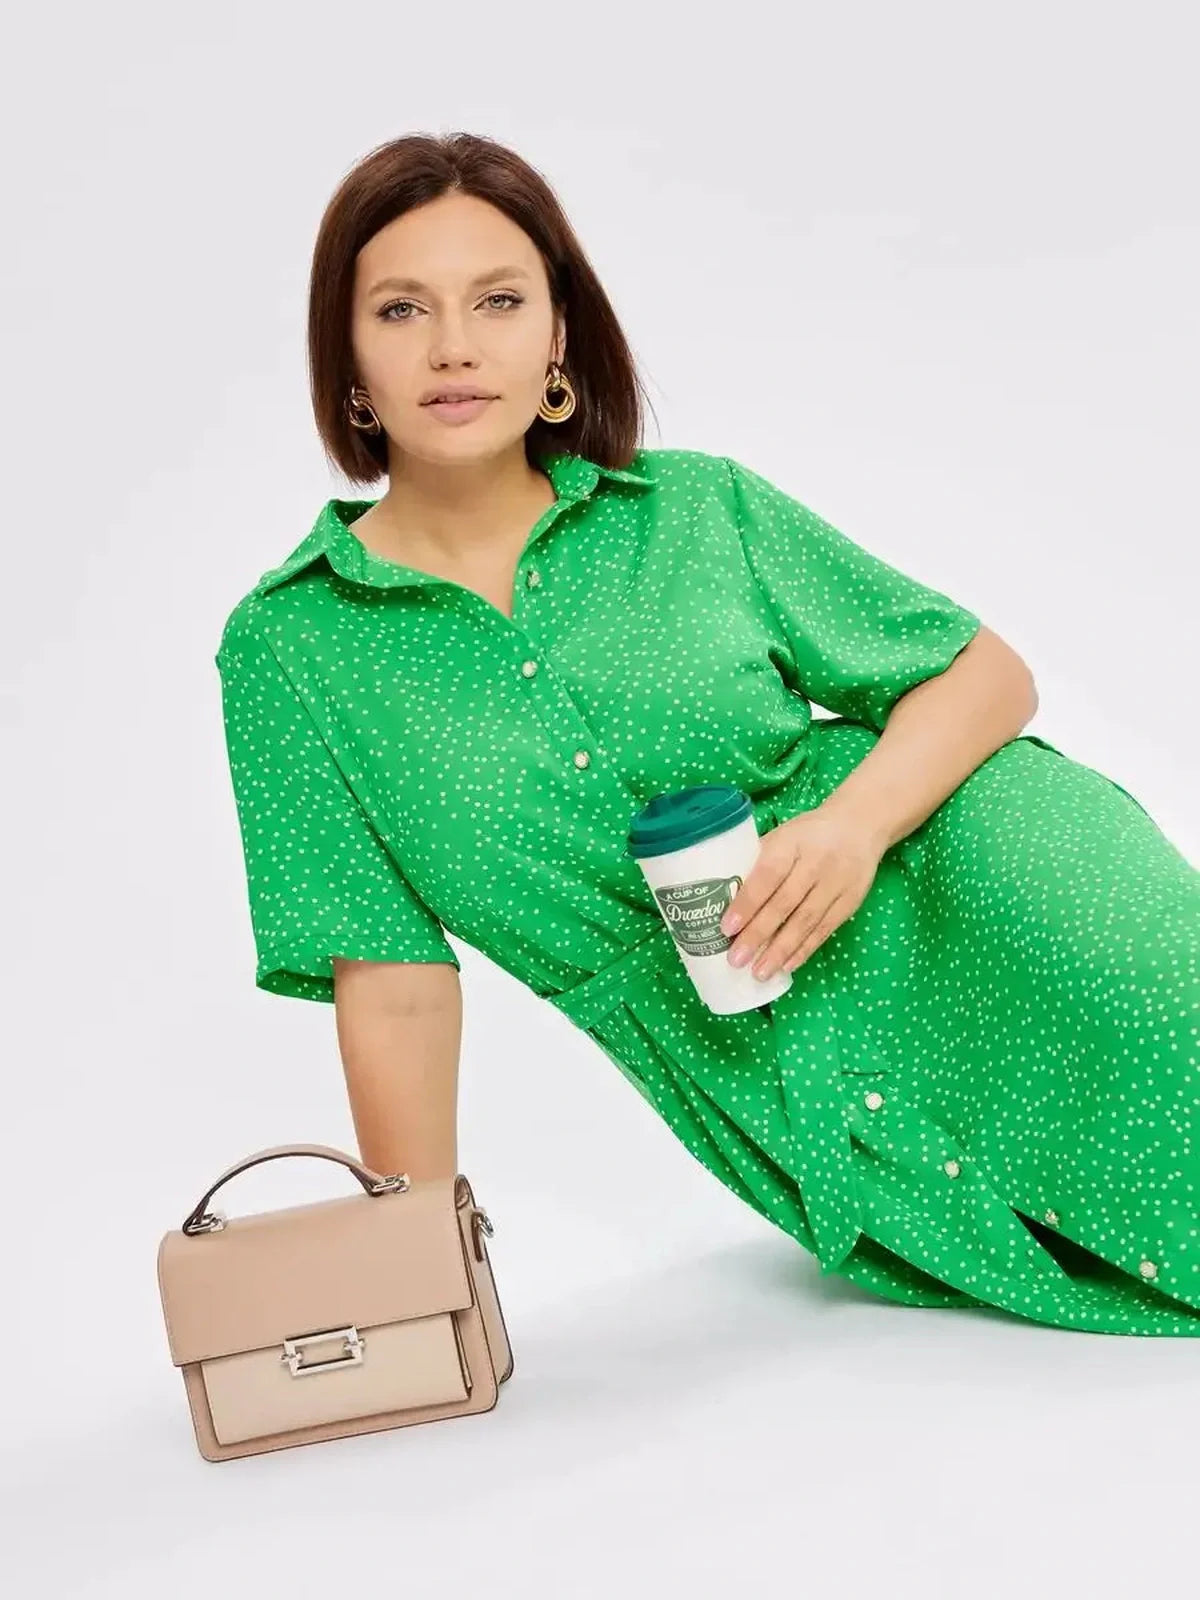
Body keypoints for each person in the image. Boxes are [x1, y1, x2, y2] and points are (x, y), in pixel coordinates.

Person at [215, 131, 1200, 1337]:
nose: (455, 345)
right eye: (402, 308)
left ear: (559, 336)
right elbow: (392, 982)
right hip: (749, 1057)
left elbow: (984, 675)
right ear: (348, 354)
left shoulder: (699, 508)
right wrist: (421, 1292)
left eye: (500, 300)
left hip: (993, 888)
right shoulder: (293, 647)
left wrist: (848, 831)